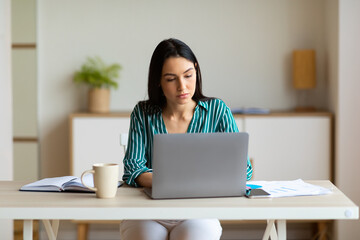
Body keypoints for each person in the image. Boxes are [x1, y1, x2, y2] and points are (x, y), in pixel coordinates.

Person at [120, 38, 253, 240]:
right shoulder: (143, 113)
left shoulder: (217, 111)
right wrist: (180, 183)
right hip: (147, 212)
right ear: (158, 80)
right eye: (171, 79)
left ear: (196, 72)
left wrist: (174, 183)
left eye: (188, 75)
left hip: (199, 212)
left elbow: (243, 169)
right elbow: (133, 169)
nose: (182, 86)